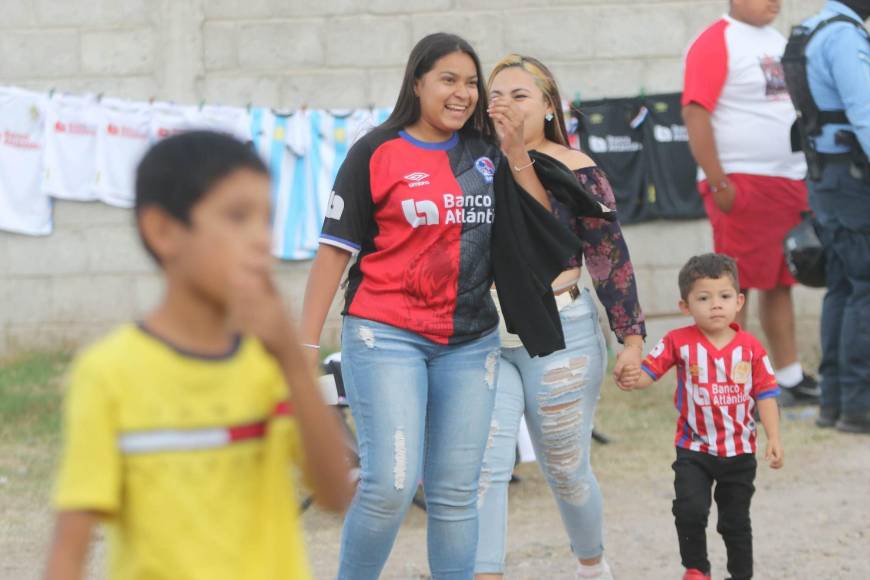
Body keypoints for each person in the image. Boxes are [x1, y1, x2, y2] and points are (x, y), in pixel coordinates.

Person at [299, 34, 582, 579]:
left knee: (455, 492)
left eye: (471, 82)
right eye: (448, 80)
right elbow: (334, 254)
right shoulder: (376, 151)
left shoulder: (486, 152)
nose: (463, 93)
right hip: (385, 335)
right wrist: (305, 348)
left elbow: (542, 227)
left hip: (468, 341)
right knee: (391, 484)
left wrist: (515, 150)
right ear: (417, 83)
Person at [43, 131, 353, 580]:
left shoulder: (267, 365)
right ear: (163, 230)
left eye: (266, 219)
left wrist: (291, 360)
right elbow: (68, 550)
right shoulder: (108, 374)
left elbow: (334, 493)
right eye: (237, 217)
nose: (260, 240)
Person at [473, 54, 646, 580]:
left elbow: (608, 256)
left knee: (567, 470)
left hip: (563, 331)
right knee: (485, 469)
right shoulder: (470, 166)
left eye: (519, 95)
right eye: (495, 95)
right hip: (482, 335)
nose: (503, 104)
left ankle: (592, 564)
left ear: (550, 107)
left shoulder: (576, 170)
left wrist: (630, 337)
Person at [682, 0, 819, 406]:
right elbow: (694, 112)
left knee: (778, 282)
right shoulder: (715, 40)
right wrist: (720, 183)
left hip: (787, 181)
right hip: (742, 182)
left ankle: (789, 375)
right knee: (732, 288)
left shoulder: (775, 39)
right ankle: (730, 387)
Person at [619, 253, 784, 580]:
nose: (715, 306)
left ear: (738, 301)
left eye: (724, 297)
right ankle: (696, 569)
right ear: (685, 306)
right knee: (689, 511)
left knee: (735, 521)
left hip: (739, 452)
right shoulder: (677, 342)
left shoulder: (751, 348)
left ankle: (740, 574)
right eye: (704, 298)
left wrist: (774, 438)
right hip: (694, 450)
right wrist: (629, 374)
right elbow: (647, 375)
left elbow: (765, 393)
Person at [788, 0, 870, 433]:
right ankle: (859, 405)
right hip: (851, 178)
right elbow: (865, 113)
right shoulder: (843, 33)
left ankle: (835, 402)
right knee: (865, 288)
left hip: (827, 175)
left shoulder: (809, 30)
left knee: (842, 286)